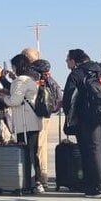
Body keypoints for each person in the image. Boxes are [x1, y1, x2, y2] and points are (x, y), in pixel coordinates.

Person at [62, 49, 101, 198]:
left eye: (67, 60)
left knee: (93, 151)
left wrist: (71, 117)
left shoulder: (76, 74)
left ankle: (96, 189)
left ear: (74, 60)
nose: (66, 63)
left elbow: (68, 99)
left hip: (89, 117)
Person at [4, 54, 46, 193]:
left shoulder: (20, 80)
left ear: (17, 66)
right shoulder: (31, 79)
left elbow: (14, 101)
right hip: (34, 121)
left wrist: (4, 96)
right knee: (33, 152)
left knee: (26, 153)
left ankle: (28, 181)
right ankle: (38, 181)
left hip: (24, 122)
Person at [31, 58, 62, 186]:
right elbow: (59, 98)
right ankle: (42, 176)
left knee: (39, 146)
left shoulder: (40, 82)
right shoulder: (52, 81)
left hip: (41, 115)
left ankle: (41, 177)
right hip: (47, 115)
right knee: (41, 145)